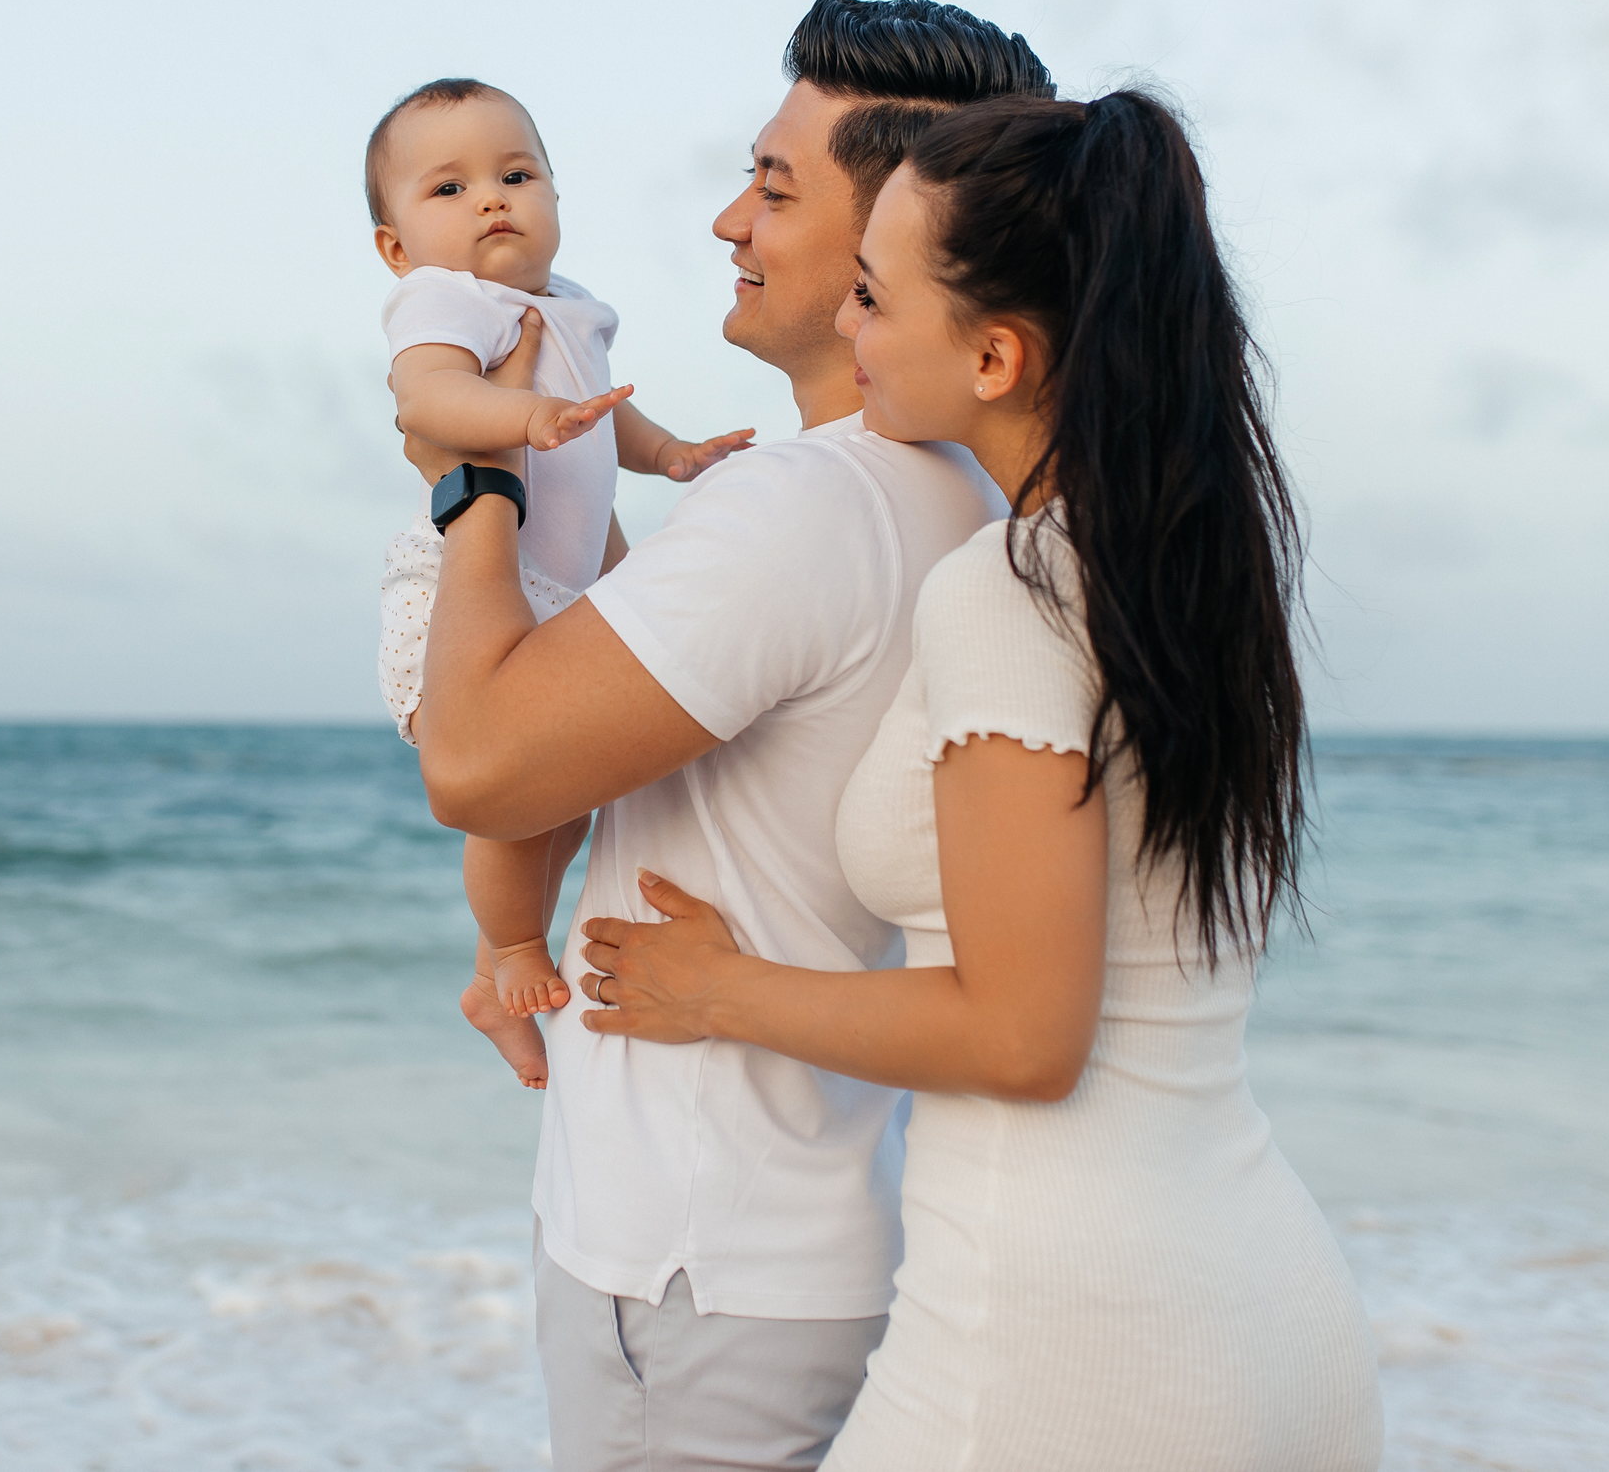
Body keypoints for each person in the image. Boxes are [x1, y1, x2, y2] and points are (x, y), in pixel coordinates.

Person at [577, 91, 1386, 1468]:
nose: (849, 325)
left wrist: (720, 990)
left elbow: (1023, 1035)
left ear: (998, 352)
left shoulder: (1008, 594)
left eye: (878, 299)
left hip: (1063, 1343)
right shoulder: (1183, 575)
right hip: (1268, 1315)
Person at [404, 0, 1050, 1471]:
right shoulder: (957, 499)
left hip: (693, 1263)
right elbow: (613, 694)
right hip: (809, 1229)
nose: (723, 221)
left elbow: (478, 760)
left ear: (908, 236)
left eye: (772, 187)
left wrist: (471, 480)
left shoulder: (808, 502)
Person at [367, 76, 755, 1088]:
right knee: (510, 795)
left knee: (564, 787)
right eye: (446, 189)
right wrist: (519, 424)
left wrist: (667, 452)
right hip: (459, 586)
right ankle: (506, 954)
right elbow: (430, 395)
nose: (491, 199)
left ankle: (492, 975)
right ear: (395, 247)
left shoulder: (568, 308)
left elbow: (603, 409)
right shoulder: (443, 301)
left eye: (515, 174)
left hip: (559, 585)